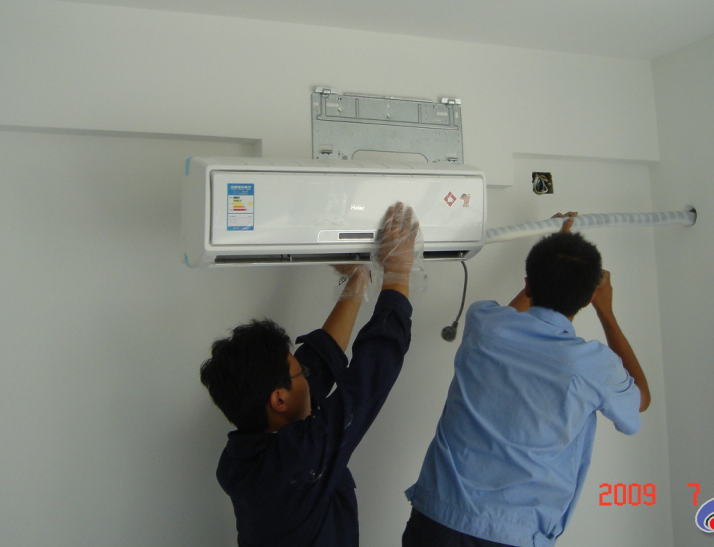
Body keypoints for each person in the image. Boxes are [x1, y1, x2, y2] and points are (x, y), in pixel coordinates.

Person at [403, 213, 650, 547]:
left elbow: (512, 316)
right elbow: (640, 401)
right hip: (511, 536)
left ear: (528, 283)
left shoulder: (484, 324)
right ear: (590, 297)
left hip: (436, 521)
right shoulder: (592, 366)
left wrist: (553, 258)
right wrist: (606, 311)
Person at [200, 202, 420, 547]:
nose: (309, 373)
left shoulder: (242, 456)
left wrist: (358, 279)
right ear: (278, 399)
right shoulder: (296, 461)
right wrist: (398, 275)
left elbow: (319, 362)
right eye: (299, 371)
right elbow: (370, 376)